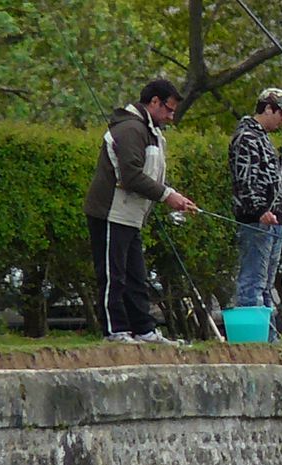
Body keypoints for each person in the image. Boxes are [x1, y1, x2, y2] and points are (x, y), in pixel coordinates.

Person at [84, 78, 199, 345]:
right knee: (114, 275)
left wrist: (170, 195)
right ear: (154, 102)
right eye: (168, 110)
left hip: (131, 215)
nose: (171, 116)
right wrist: (168, 195)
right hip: (111, 212)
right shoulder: (130, 129)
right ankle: (115, 331)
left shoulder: (150, 131)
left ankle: (144, 329)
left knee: (136, 275)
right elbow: (132, 176)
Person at [229, 87, 282, 342]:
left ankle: (266, 336)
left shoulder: (262, 137)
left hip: (273, 221)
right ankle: (252, 339)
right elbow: (245, 179)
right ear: (268, 109)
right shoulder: (247, 137)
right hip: (257, 221)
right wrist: (260, 210)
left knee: (266, 282)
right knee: (253, 280)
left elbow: (267, 172)